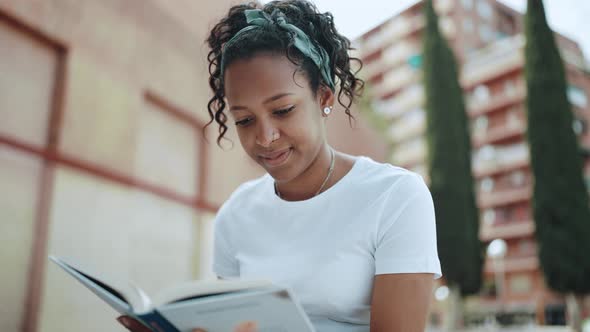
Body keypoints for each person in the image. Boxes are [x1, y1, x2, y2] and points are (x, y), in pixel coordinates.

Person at [119, 0, 441, 331]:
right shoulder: (236, 214)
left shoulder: (395, 197)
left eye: (283, 110)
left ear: (324, 98)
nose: (265, 137)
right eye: (244, 119)